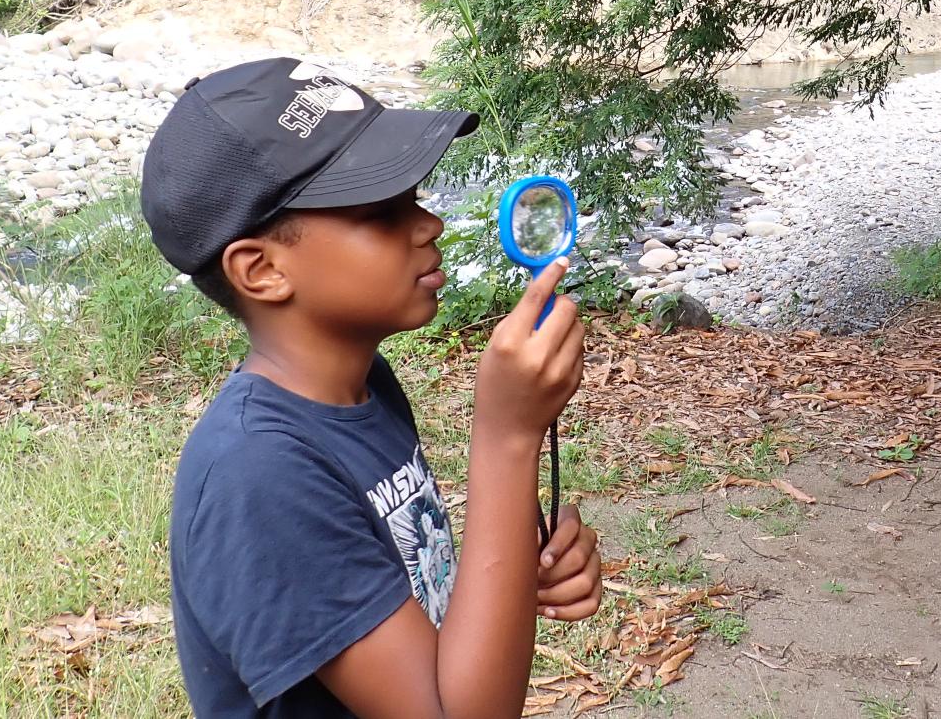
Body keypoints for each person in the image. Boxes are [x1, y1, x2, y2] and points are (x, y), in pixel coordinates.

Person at [140, 57, 601, 719]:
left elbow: (410, 594)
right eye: (384, 212)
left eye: (413, 198)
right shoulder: (257, 475)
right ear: (262, 269)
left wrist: (512, 576)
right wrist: (507, 439)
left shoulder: (361, 386)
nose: (428, 226)